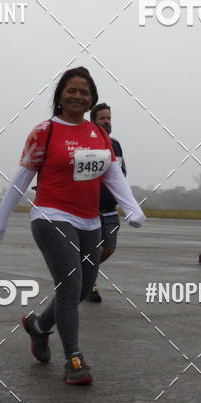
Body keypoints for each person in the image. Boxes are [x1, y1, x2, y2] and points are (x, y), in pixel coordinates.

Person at [0, 67, 145, 385]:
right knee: (70, 285)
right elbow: (23, 177)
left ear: (92, 100)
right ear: (60, 95)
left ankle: (39, 327)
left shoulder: (99, 135)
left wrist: (132, 209)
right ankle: (73, 358)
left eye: (84, 92)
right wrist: (0, 218)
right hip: (51, 215)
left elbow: (113, 176)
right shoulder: (44, 131)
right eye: (72, 90)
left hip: (89, 221)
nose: (77, 96)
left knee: (84, 288)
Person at [87, 102, 127, 303]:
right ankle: (90, 285)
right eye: (102, 118)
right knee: (93, 248)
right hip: (90, 207)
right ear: (93, 121)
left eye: (108, 118)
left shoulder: (116, 145)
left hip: (110, 208)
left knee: (109, 247)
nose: (106, 122)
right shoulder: (86, 142)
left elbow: (122, 174)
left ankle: (85, 267)